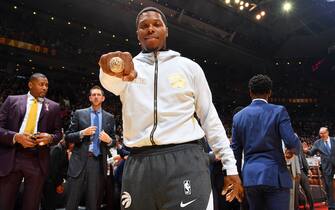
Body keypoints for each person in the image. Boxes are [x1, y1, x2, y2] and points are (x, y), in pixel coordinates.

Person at [98, 6, 243, 210]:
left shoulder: (189, 68)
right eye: (144, 26)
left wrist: (230, 167)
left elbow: (209, 117)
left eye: (157, 24)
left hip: (185, 160)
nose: (150, 29)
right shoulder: (128, 69)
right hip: (139, 161)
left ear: (166, 30)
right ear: (137, 33)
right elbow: (108, 84)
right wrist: (107, 68)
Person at [231, 74, 301, 210]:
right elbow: (291, 142)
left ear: (250, 92)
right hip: (275, 176)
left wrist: (237, 177)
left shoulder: (238, 117)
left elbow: (235, 152)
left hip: (250, 177)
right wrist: (295, 147)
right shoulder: (279, 111)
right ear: (270, 92)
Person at [0, 73, 62, 210]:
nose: (45, 88)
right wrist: (16, 136)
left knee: (31, 205)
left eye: (46, 85)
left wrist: (50, 138)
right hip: (13, 155)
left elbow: (58, 134)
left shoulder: (54, 107)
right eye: (41, 84)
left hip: (36, 159)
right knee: (4, 202)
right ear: (30, 84)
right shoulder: (12, 100)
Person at [65, 85, 115, 210]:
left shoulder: (110, 117)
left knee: (93, 203)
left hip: (97, 162)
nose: (96, 97)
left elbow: (113, 141)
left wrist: (109, 140)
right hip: (79, 160)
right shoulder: (79, 113)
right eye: (94, 95)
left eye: (99, 95)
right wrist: (82, 133)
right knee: (72, 200)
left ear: (103, 98)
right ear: (90, 98)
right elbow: (68, 136)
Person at [303, 127, 335, 210]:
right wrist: (305, 150)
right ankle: (332, 206)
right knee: (329, 187)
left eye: (323, 133)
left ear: (327, 132)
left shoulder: (334, 140)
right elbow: (311, 153)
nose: (322, 135)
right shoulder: (317, 143)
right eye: (320, 133)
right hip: (326, 167)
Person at [298, 142, 314, 210]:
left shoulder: (299, 146)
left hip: (301, 171)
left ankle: (312, 207)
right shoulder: (289, 147)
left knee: (308, 190)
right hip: (293, 172)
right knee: (295, 192)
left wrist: (308, 169)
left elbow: (303, 159)